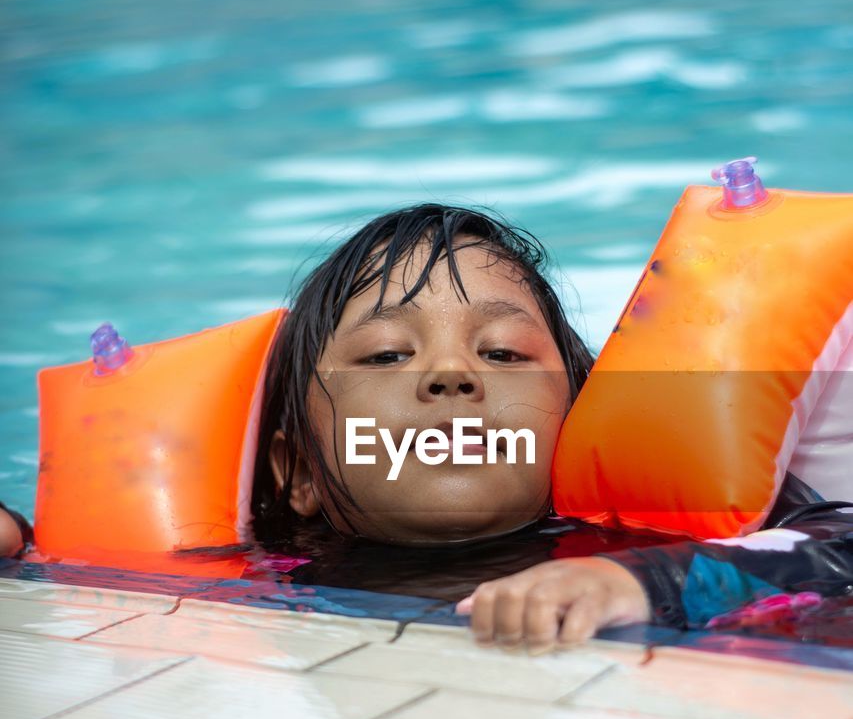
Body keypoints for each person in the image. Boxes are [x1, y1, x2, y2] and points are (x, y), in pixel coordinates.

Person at [4, 205, 851, 651]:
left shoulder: (669, 533)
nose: (452, 375)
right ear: (296, 471)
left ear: (578, 422)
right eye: (382, 357)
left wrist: (644, 584)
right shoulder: (256, 557)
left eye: (504, 353)